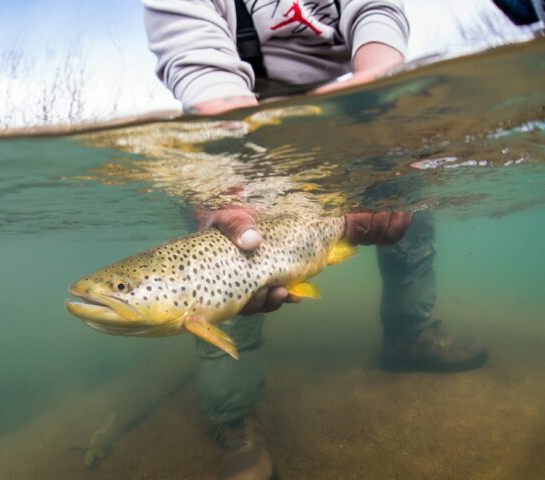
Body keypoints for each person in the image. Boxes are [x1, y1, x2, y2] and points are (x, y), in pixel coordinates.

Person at [142, 1, 488, 478]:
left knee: (404, 207)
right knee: (229, 266)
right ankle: (233, 416)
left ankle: (410, 335)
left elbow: (376, 11)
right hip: (229, 119)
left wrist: (381, 98)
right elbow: (201, 68)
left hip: (348, 116)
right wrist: (237, 176)